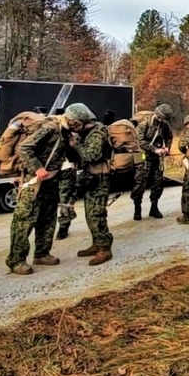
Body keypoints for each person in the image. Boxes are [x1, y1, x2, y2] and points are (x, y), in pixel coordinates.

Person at [6, 103, 91, 275]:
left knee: (47, 218)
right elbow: (25, 148)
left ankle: (42, 253)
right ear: (73, 120)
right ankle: (16, 260)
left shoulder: (65, 131)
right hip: (34, 181)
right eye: (81, 123)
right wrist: (37, 168)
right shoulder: (51, 127)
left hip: (51, 181)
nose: (81, 126)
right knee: (25, 220)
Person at [71, 114, 114, 266]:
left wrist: (75, 145)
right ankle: (97, 243)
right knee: (90, 214)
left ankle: (104, 248)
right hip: (91, 178)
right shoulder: (89, 133)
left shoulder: (98, 133)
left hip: (100, 178)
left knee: (97, 214)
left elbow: (91, 155)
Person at [131, 104, 174, 220]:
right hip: (142, 155)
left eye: (163, 119)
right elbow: (139, 141)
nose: (161, 120)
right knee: (140, 182)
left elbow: (169, 136)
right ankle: (137, 208)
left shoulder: (164, 125)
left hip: (157, 157)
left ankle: (154, 207)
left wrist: (167, 148)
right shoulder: (144, 124)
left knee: (158, 182)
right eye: (160, 118)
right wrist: (155, 149)